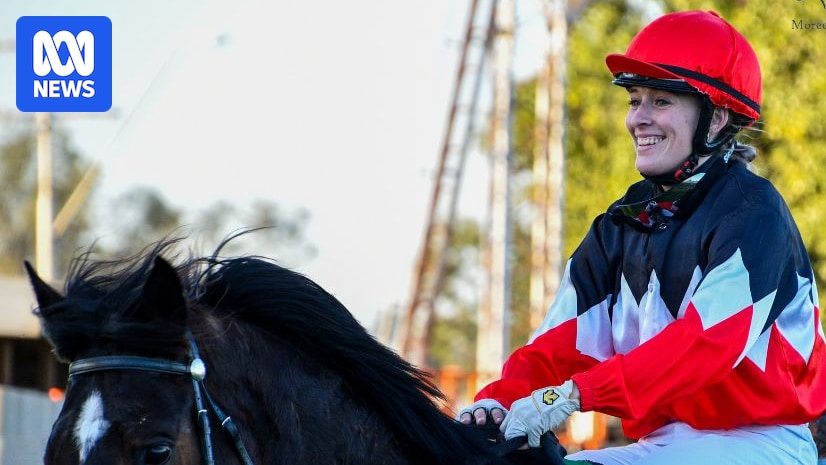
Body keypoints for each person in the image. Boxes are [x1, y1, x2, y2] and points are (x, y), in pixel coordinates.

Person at [458, 10, 826, 465]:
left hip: (758, 444)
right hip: (658, 446)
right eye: (635, 100)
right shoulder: (618, 224)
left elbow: (704, 345)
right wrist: (498, 400)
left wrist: (576, 394)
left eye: (661, 101)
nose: (639, 119)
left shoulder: (755, 212)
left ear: (715, 120)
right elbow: (560, 344)